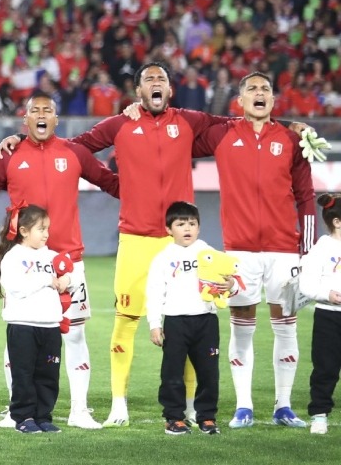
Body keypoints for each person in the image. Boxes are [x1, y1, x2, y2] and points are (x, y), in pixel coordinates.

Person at [0, 62, 224, 426]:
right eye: (148, 79)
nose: (155, 83)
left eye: (161, 78)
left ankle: (194, 405)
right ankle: (119, 403)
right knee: (126, 322)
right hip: (135, 238)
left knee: (189, 320)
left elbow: (230, 127)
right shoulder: (120, 124)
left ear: (170, 88)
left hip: (180, 241)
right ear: (137, 92)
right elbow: (73, 148)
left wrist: (290, 128)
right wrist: (21, 142)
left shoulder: (189, 121)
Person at [0, 93, 120, 429]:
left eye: (48, 110)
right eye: (36, 110)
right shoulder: (11, 155)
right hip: (24, 260)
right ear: (26, 120)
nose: (42, 114)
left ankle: (79, 410)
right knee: (19, 336)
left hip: (68, 259)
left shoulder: (75, 153)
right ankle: (16, 409)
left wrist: (147, 193)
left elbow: (110, 183)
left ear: (56, 119)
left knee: (74, 334)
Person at [190, 72, 316, 429]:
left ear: (273, 100)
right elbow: (182, 129)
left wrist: (306, 252)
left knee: (286, 327)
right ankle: (243, 406)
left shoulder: (292, 139)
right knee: (241, 327)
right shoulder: (224, 133)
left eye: (265, 89)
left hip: (284, 250)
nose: (259, 93)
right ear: (240, 100)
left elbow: (306, 197)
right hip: (240, 252)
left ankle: (283, 406)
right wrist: (140, 110)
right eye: (252, 89)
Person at [146, 201, 236, 435]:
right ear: (168, 229)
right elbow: (155, 291)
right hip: (176, 322)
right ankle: (173, 418)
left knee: (208, 372)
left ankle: (206, 417)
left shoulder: (211, 254)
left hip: (206, 321)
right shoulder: (163, 258)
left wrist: (231, 285)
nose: (187, 228)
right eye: (180, 224)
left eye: (192, 223)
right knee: (172, 372)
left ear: (199, 227)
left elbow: (231, 284)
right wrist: (155, 324)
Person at [0, 204, 68, 433]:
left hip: (50, 326)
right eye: (41, 229)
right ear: (24, 231)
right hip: (23, 326)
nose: (46, 234)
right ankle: (23, 417)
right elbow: (16, 288)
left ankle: (43, 416)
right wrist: (46, 280)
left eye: (48, 229)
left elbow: (70, 271)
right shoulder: (13, 257)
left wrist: (68, 280)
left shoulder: (51, 256)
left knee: (48, 375)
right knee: (23, 374)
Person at [300, 193, 341, 435]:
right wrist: (328, 294)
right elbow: (307, 285)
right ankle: (319, 414)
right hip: (329, 317)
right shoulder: (321, 248)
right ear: (337, 221)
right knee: (325, 368)